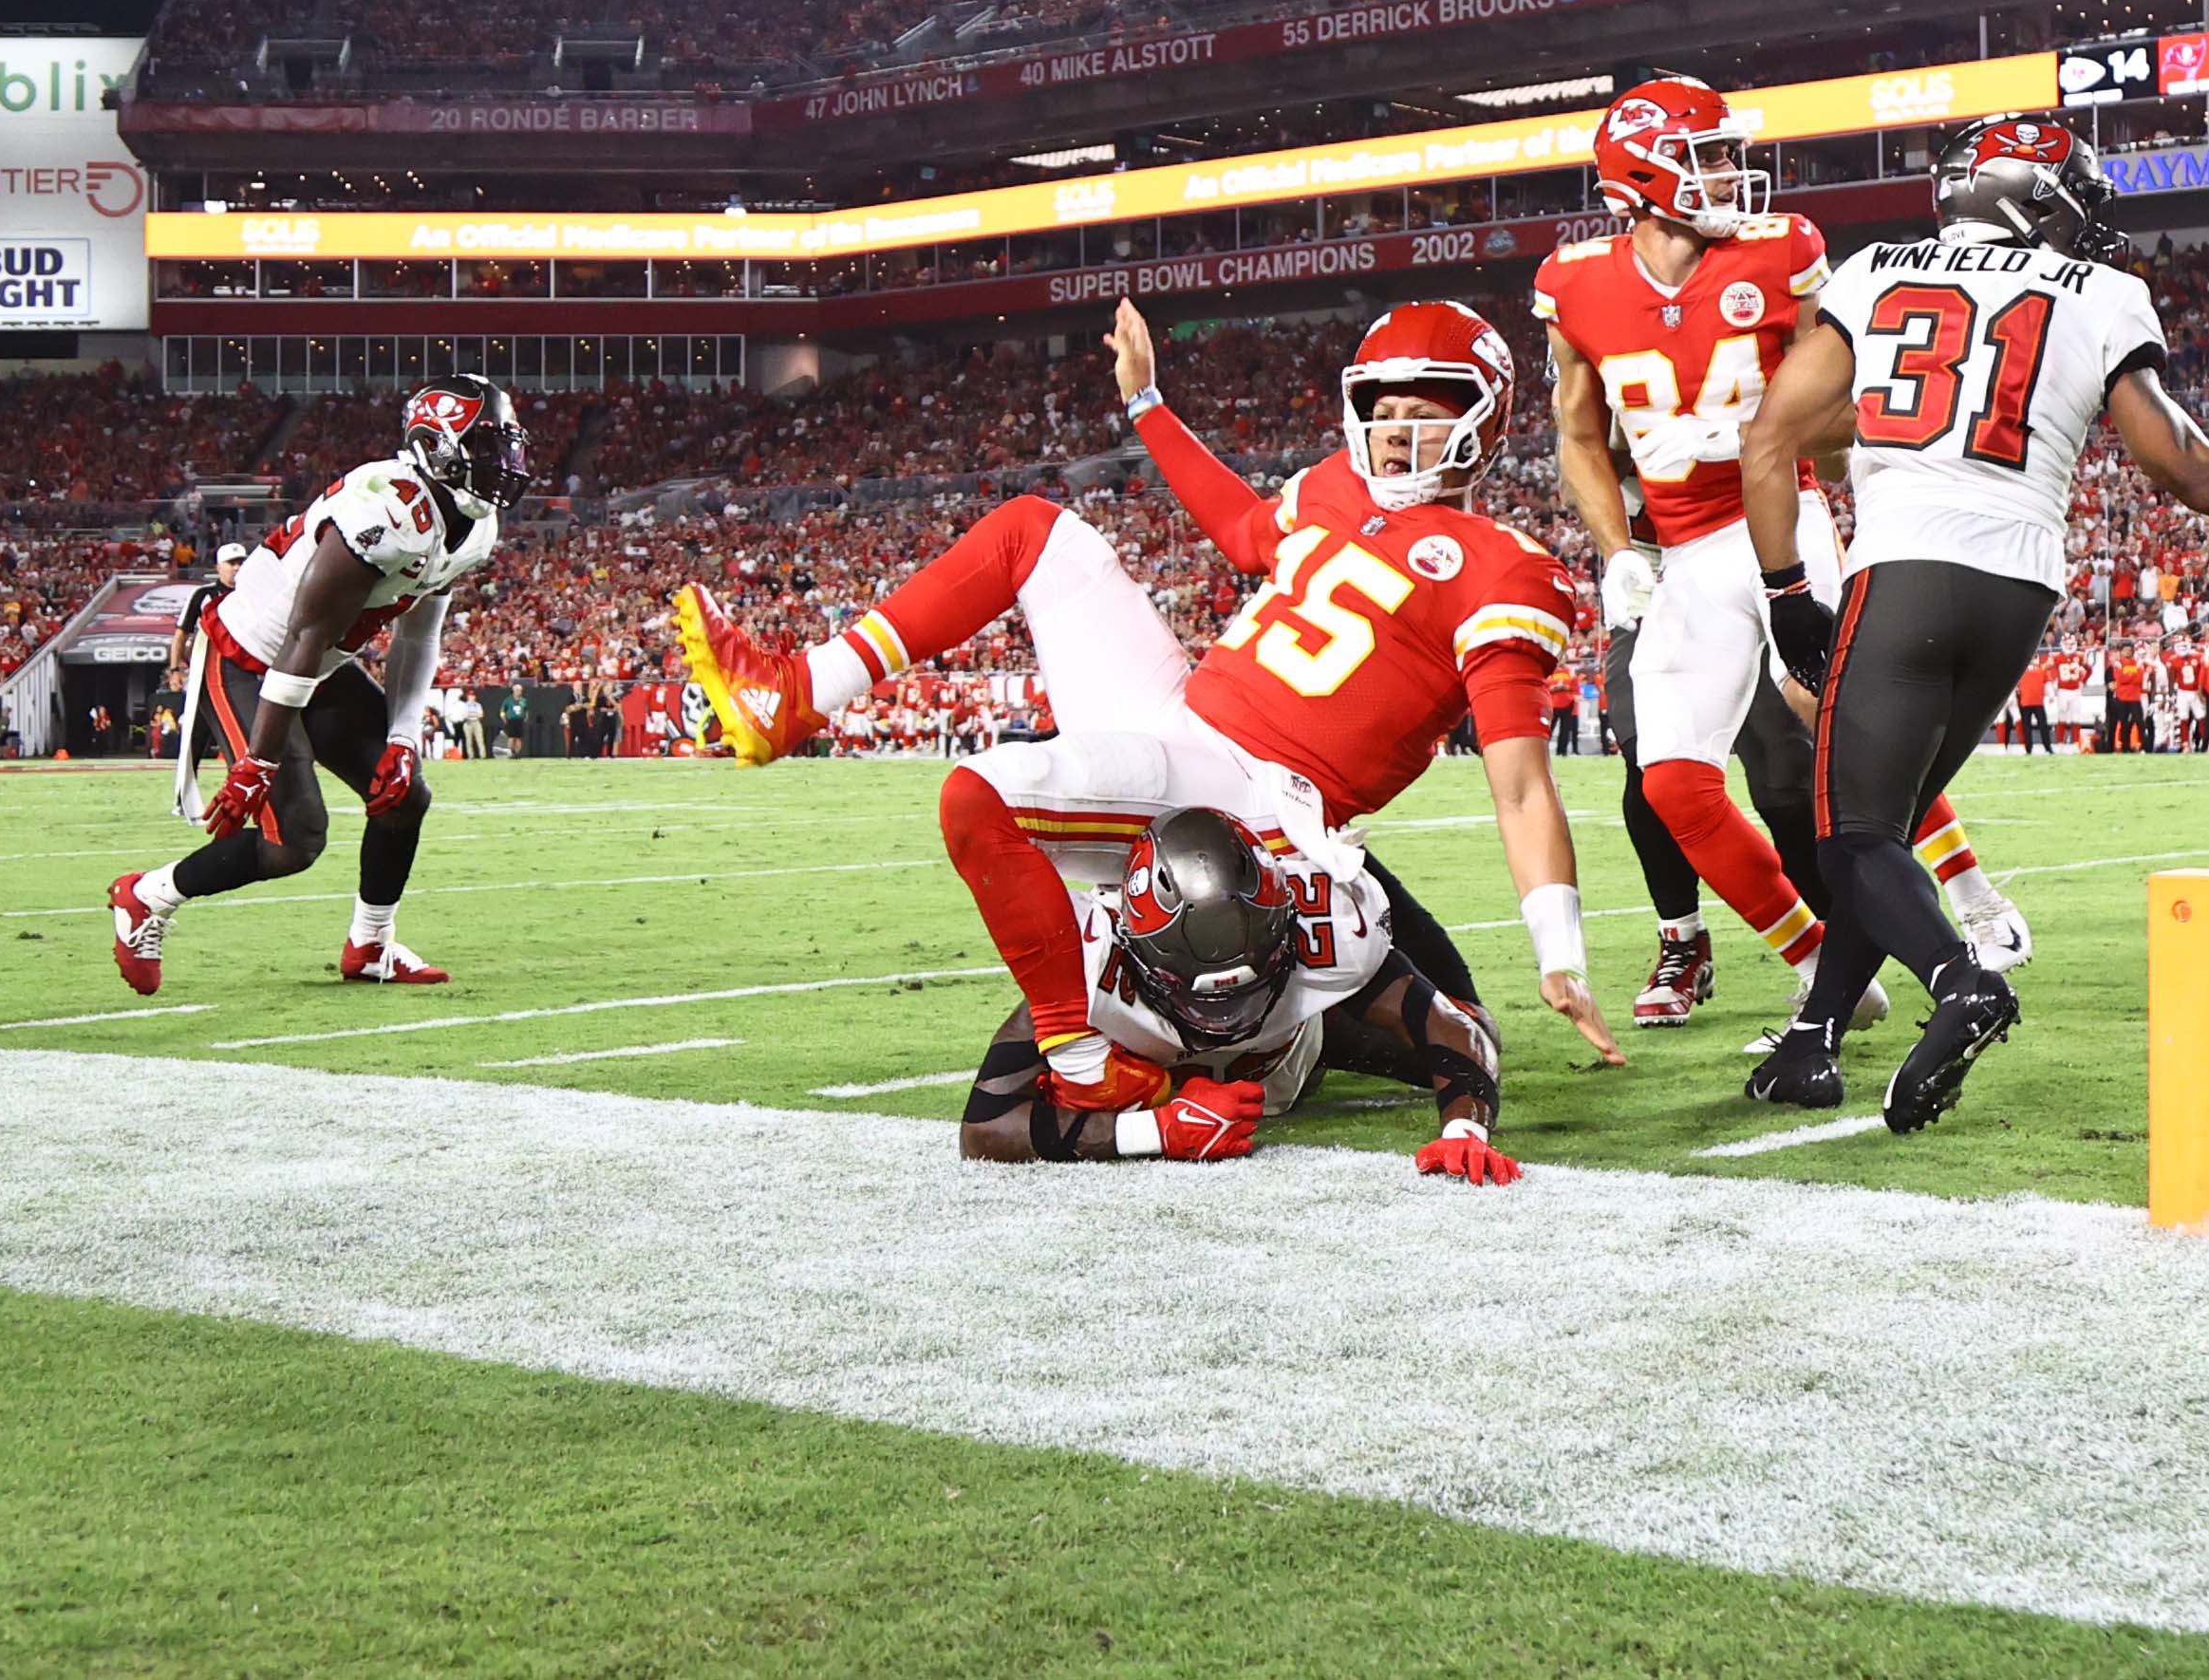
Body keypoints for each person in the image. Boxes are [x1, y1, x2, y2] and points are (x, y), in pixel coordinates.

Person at [673, 298, 1623, 1115]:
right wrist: (1146, 400)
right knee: (1030, 531)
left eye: (1426, 410)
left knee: (980, 797)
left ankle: (1086, 1063)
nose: (1398, 430)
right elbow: (1240, 525)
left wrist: (1558, 950)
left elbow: (1521, 788)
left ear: (1488, 420)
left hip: (1257, 792)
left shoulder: (1507, 567)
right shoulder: (1333, 486)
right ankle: (792, 694)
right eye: (1383, 409)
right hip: (1179, 710)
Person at [1736, 115, 2209, 1129]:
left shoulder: (1875, 269)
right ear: (2028, 197)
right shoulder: (2100, 292)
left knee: (1850, 837)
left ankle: (1960, 984)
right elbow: (2195, 473)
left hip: (1910, 558)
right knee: (1884, 825)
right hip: (2019, 585)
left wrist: (1790, 592)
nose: (2085, 220)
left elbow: (1770, 437)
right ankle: (1812, 1042)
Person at [1539, 76, 2028, 1039]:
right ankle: (1818, 963)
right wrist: (1614, 553)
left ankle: (1968, 892)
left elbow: (1833, 400)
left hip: (1779, 515)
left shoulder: (1783, 249)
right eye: (1706, 155)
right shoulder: (1574, 281)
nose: (1728, 172)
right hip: (1677, 550)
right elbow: (1577, 432)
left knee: (1835, 713)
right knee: (1672, 785)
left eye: (1726, 153)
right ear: (1638, 174)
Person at [106, 376, 529, 994]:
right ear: (434, 447)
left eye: (506, 446)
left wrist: (404, 739)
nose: (504, 464)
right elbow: (302, 634)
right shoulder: (386, 508)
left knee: (403, 795)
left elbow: (418, 633)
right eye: (486, 448)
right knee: (295, 840)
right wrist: (259, 760)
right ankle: (148, 896)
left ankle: (372, 944)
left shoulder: (475, 525)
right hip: (252, 656)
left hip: (320, 663)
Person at [955, 806, 1513, 1184]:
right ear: (1135, 949)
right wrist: (1158, 1130)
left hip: (1303, 1044)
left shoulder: (1325, 930)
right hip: (1220, 1062)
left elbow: (1454, 1028)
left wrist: (1465, 1129)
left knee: (1478, 1036)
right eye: (1202, 1000)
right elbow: (984, 1128)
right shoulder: (1086, 962)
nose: (1225, 1018)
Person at [167, 542, 250, 771]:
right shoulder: (203, 595)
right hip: (207, 677)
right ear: (218, 567)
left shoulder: (254, 595)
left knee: (242, 731)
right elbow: (181, 633)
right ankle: (185, 791)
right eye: (231, 563)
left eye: (241, 562)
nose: (237, 568)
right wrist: (175, 669)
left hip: (243, 675)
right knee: (197, 733)